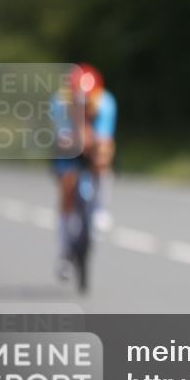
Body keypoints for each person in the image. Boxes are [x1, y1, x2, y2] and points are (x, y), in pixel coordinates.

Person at [50, 63, 117, 280]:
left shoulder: (107, 103)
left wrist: (92, 142)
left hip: (92, 145)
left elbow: (104, 139)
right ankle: (64, 253)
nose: (83, 104)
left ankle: (100, 209)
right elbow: (64, 138)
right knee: (67, 187)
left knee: (103, 154)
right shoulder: (59, 103)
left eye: (88, 101)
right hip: (68, 149)